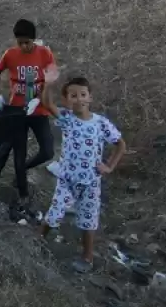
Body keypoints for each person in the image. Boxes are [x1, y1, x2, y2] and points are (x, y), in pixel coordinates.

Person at [38, 77, 127, 273]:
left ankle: (87, 257)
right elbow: (46, 103)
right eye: (73, 96)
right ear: (66, 99)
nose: (79, 99)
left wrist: (109, 166)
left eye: (83, 95)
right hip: (67, 181)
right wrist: (49, 83)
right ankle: (38, 242)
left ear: (90, 97)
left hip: (91, 182)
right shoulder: (67, 119)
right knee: (54, 213)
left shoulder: (101, 123)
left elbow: (121, 144)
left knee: (88, 220)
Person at [0, 19, 58, 215]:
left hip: (38, 110)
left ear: (34, 40)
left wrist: (38, 99)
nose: (24, 46)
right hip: (17, 110)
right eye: (20, 42)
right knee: (18, 154)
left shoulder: (44, 53)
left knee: (47, 150)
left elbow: (51, 79)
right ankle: (23, 194)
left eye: (27, 42)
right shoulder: (10, 55)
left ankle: (26, 168)